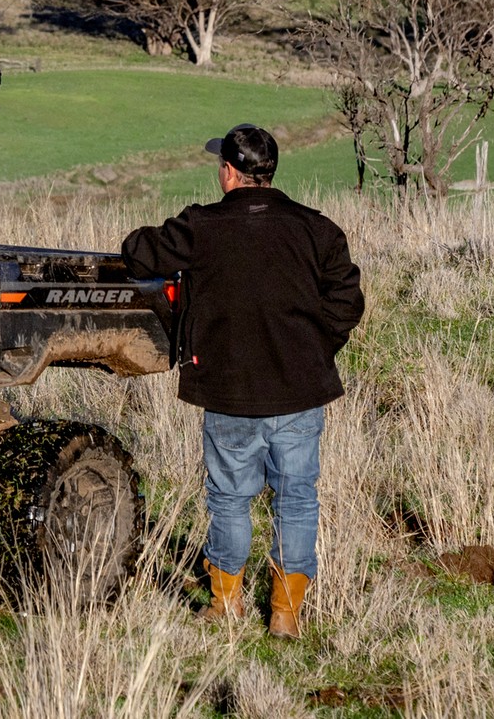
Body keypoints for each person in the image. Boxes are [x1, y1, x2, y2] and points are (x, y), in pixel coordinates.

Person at [120, 123, 364, 638]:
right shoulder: (318, 229)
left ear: (229, 172)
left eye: (221, 165)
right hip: (300, 392)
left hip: (228, 392)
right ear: (269, 173)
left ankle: (226, 603)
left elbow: (139, 252)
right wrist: (315, 351)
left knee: (229, 498)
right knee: (297, 498)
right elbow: (347, 302)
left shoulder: (200, 227)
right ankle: (285, 613)